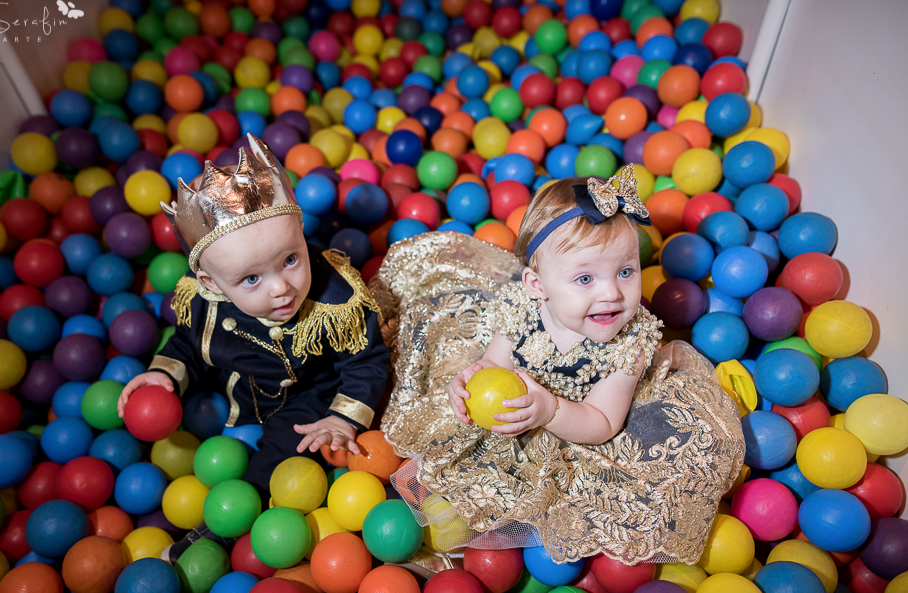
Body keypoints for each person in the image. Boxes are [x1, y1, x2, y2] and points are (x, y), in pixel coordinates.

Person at [372, 170, 745, 565]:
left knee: (611, 491)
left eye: (626, 271)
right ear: (537, 286)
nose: (612, 293)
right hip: (520, 408)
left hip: (579, 426)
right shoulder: (522, 308)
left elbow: (602, 423)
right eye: (585, 278)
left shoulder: (630, 343)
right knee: (456, 447)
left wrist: (550, 410)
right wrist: (471, 379)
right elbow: (493, 362)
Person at [117, 134, 390, 497]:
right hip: (233, 385)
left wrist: (342, 419)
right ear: (211, 283)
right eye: (251, 278)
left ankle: (232, 523)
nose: (281, 288)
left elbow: (367, 362)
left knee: (287, 453)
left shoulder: (335, 300)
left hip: (306, 392)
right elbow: (189, 342)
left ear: (301, 230)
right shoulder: (206, 300)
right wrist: (160, 374)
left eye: (291, 259)